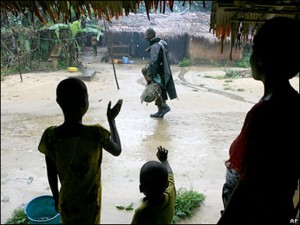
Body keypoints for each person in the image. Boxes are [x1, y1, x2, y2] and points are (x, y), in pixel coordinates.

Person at [218, 17, 300, 225]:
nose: (251, 56)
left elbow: (250, 183)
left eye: (254, 50)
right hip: (279, 210)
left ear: (262, 58)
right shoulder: (294, 103)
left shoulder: (266, 114)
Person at [38, 77, 123, 224]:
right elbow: (117, 150)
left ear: (59, 102)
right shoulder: (96, 133)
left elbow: (50, 170)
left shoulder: (50, 136)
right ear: (85, 103)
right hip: (89, 205)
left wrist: (56, 197)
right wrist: (112, 121)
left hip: (66, 202)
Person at [131, 146, 176, 224]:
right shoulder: (170, 192)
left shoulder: (141, 213)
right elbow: (170, 174)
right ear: (167, 184)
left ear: (140, 188)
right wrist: (164, 161)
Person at [143, 27, 177, 118]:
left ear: (151, 35)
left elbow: (154, 62)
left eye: (146, 35)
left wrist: (150, 75)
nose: (145, 37)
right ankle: (160, 110)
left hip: (159, 72)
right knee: (159, 90)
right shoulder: (160, 44)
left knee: (156, 89)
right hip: (163, 71)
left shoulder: (155, 46)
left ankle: (164, 107)